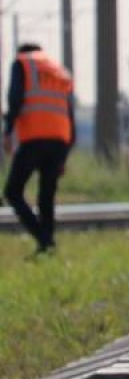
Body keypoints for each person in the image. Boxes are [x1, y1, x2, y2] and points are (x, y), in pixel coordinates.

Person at [4, 43, 74, 257]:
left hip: (34, 137)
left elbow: (15, 99)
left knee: (12, 192)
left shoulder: (22, 64)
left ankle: (45, 239)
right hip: (60, 139)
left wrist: (8, 131)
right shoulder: (57, 71)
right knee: (47, 195)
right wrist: (65, 152)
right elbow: (68, 112)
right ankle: (46, 245)